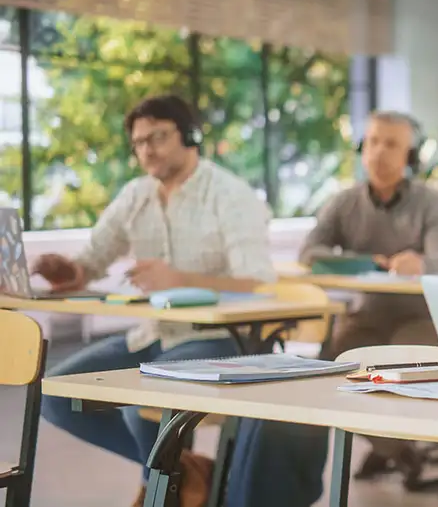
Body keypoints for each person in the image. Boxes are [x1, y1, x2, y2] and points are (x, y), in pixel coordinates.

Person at [36, 95, 325, 507]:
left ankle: (166, 486)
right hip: (152, 332)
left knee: (145, 400)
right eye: (138, 142)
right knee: (57, 394)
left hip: (220, 338)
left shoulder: (229, 194)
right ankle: (183, 475)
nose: (147, 149)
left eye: (158, 137)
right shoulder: (135, 195)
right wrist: (67, 271)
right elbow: (92, 261)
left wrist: (179, 279)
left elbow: (258, 281)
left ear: (189, 136)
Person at [300, 110, 438, 483]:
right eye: (372, 142)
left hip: (420, 319)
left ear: (411, 156)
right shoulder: (343, 202)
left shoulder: (431, 203)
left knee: (398, 368)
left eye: (391, 144)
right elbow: (310, 253)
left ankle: (391, 444)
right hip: (364, 316)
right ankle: (396, 448)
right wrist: (365, 262)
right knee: (338, 370)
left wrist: (419, 262)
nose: (378, 152)